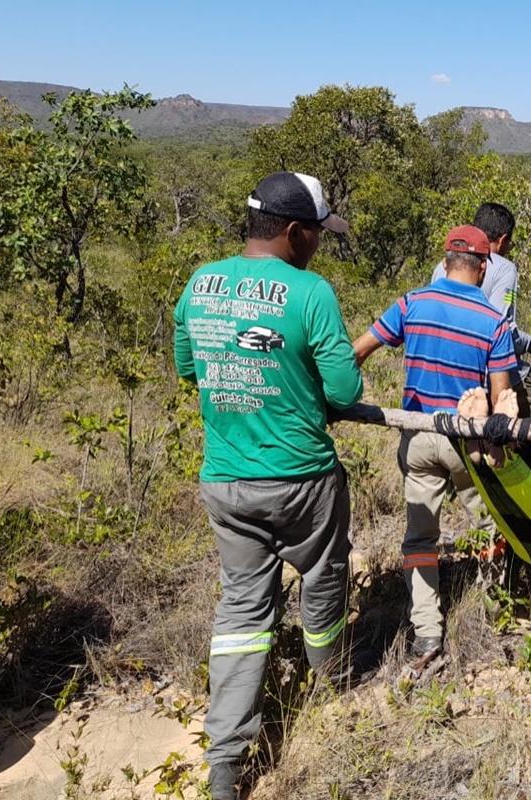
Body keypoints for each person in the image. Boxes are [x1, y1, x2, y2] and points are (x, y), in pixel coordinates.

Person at [173, 171, 364, 800]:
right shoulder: (310, 293)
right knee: (323, 578)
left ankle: (225, 762)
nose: (319, 245)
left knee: (241, 611)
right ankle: (331, 682)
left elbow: (186, 366)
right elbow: (344, 392)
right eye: (317, 234)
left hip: (226, 481)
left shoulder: (201, 282)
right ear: (292, 231)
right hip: (302, 479)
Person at [354, 225, 517, 660]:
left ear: (445, 263)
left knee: (419, 538)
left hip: (419, 436)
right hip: (466, 440)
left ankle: (427, 632)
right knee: (487, 525)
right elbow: (501, 398)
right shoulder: (494, 320)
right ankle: (494, 609)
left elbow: (359, 351)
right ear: (483, 269)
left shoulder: (412, 302)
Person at [432, 203, 531, 414]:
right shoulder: (505, 269)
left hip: (448, 379)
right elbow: (503, 330)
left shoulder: (443, 268)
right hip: (492, 380)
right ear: (503, 239)